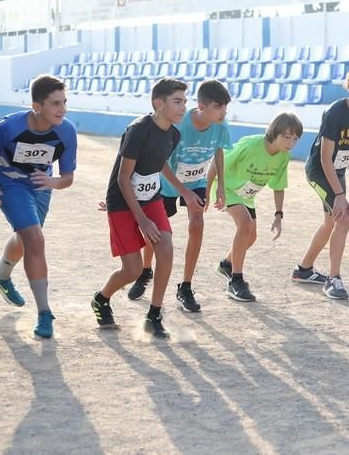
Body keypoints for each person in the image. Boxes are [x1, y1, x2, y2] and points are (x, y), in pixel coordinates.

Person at [92, 78, 202, 339]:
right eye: (177, 101)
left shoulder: (174, 134)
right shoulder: (138, 130)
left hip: (151, 198)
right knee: (131, 270)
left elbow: (160, 163)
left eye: (185, 102)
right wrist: (141, 220)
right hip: (122, 201)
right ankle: (101, 298)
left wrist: (184, 189)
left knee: (165, 247)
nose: (183, 107)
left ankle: (154, 314)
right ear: (158, 103)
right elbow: (123, 178)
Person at [0, 75, 77, 338]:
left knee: (25, 238)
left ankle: (0, 276)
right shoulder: (11, 126)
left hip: (41, 187)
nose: (62, 109)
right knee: (34, 238)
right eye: (55, 104)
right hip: (9, 185)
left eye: (64, 103)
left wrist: (52, 181)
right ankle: (45, 313)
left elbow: (67, 177)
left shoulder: (66, 130)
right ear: (37, 106)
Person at [126, 79, 231, 312]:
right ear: (203, 107)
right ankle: (145, 272)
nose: (224, 112)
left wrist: (220, 185)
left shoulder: (221, 125)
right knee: (157, 232)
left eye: (226, 106)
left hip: (197, 182)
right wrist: (181, 189)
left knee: (197, 224)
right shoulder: (180, 125)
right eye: (219, 106)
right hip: (167, 183)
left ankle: (185, 286)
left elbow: (218, 152)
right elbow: (160, 161)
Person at [292, 64, 349, 300]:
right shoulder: (335, 113)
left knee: (331, 223)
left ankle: (304, 270)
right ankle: (334, 279)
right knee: (343, 219)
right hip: (319, 171)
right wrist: (341, 195)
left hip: (338, 171)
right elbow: (324, 158)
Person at [212, 112, 302, 302]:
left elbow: (278, 186)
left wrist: (279, 214)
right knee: (245, 224)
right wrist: (209, 190)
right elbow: (218, 161)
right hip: (226, 187)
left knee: (250, 237)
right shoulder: (250, 144)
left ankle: (227, 264)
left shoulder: (283, 157)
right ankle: (236, 281)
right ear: (274, 132)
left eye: (295, 139)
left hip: (246, 196)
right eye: (287, 137)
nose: (291, 143)